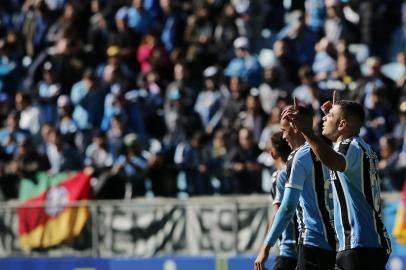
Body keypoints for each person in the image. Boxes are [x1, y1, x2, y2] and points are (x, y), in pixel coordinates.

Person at [282, 95, 391, 270]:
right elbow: (332, 151)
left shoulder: (350, 146)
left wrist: (306, 131)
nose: (324, 118)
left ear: (342, 125)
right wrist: (333, 117)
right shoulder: (358, 145)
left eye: (329, 116)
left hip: (359, 244)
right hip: (362, 244)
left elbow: (333, 160)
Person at [255, 105, 336, 270]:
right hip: (336, 242)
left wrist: (266, 246)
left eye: (284, 130)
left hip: (312, 241)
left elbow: (286, 208)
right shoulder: (332, 151)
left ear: (295, 127)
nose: (284, 136)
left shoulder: (299, 156)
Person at [264, 131, 297, 270]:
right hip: (304, 247)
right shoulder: (296, 171)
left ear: (273, 153)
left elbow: (278, 213)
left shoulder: (279, 175)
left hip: (289, 248)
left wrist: (264, 248)